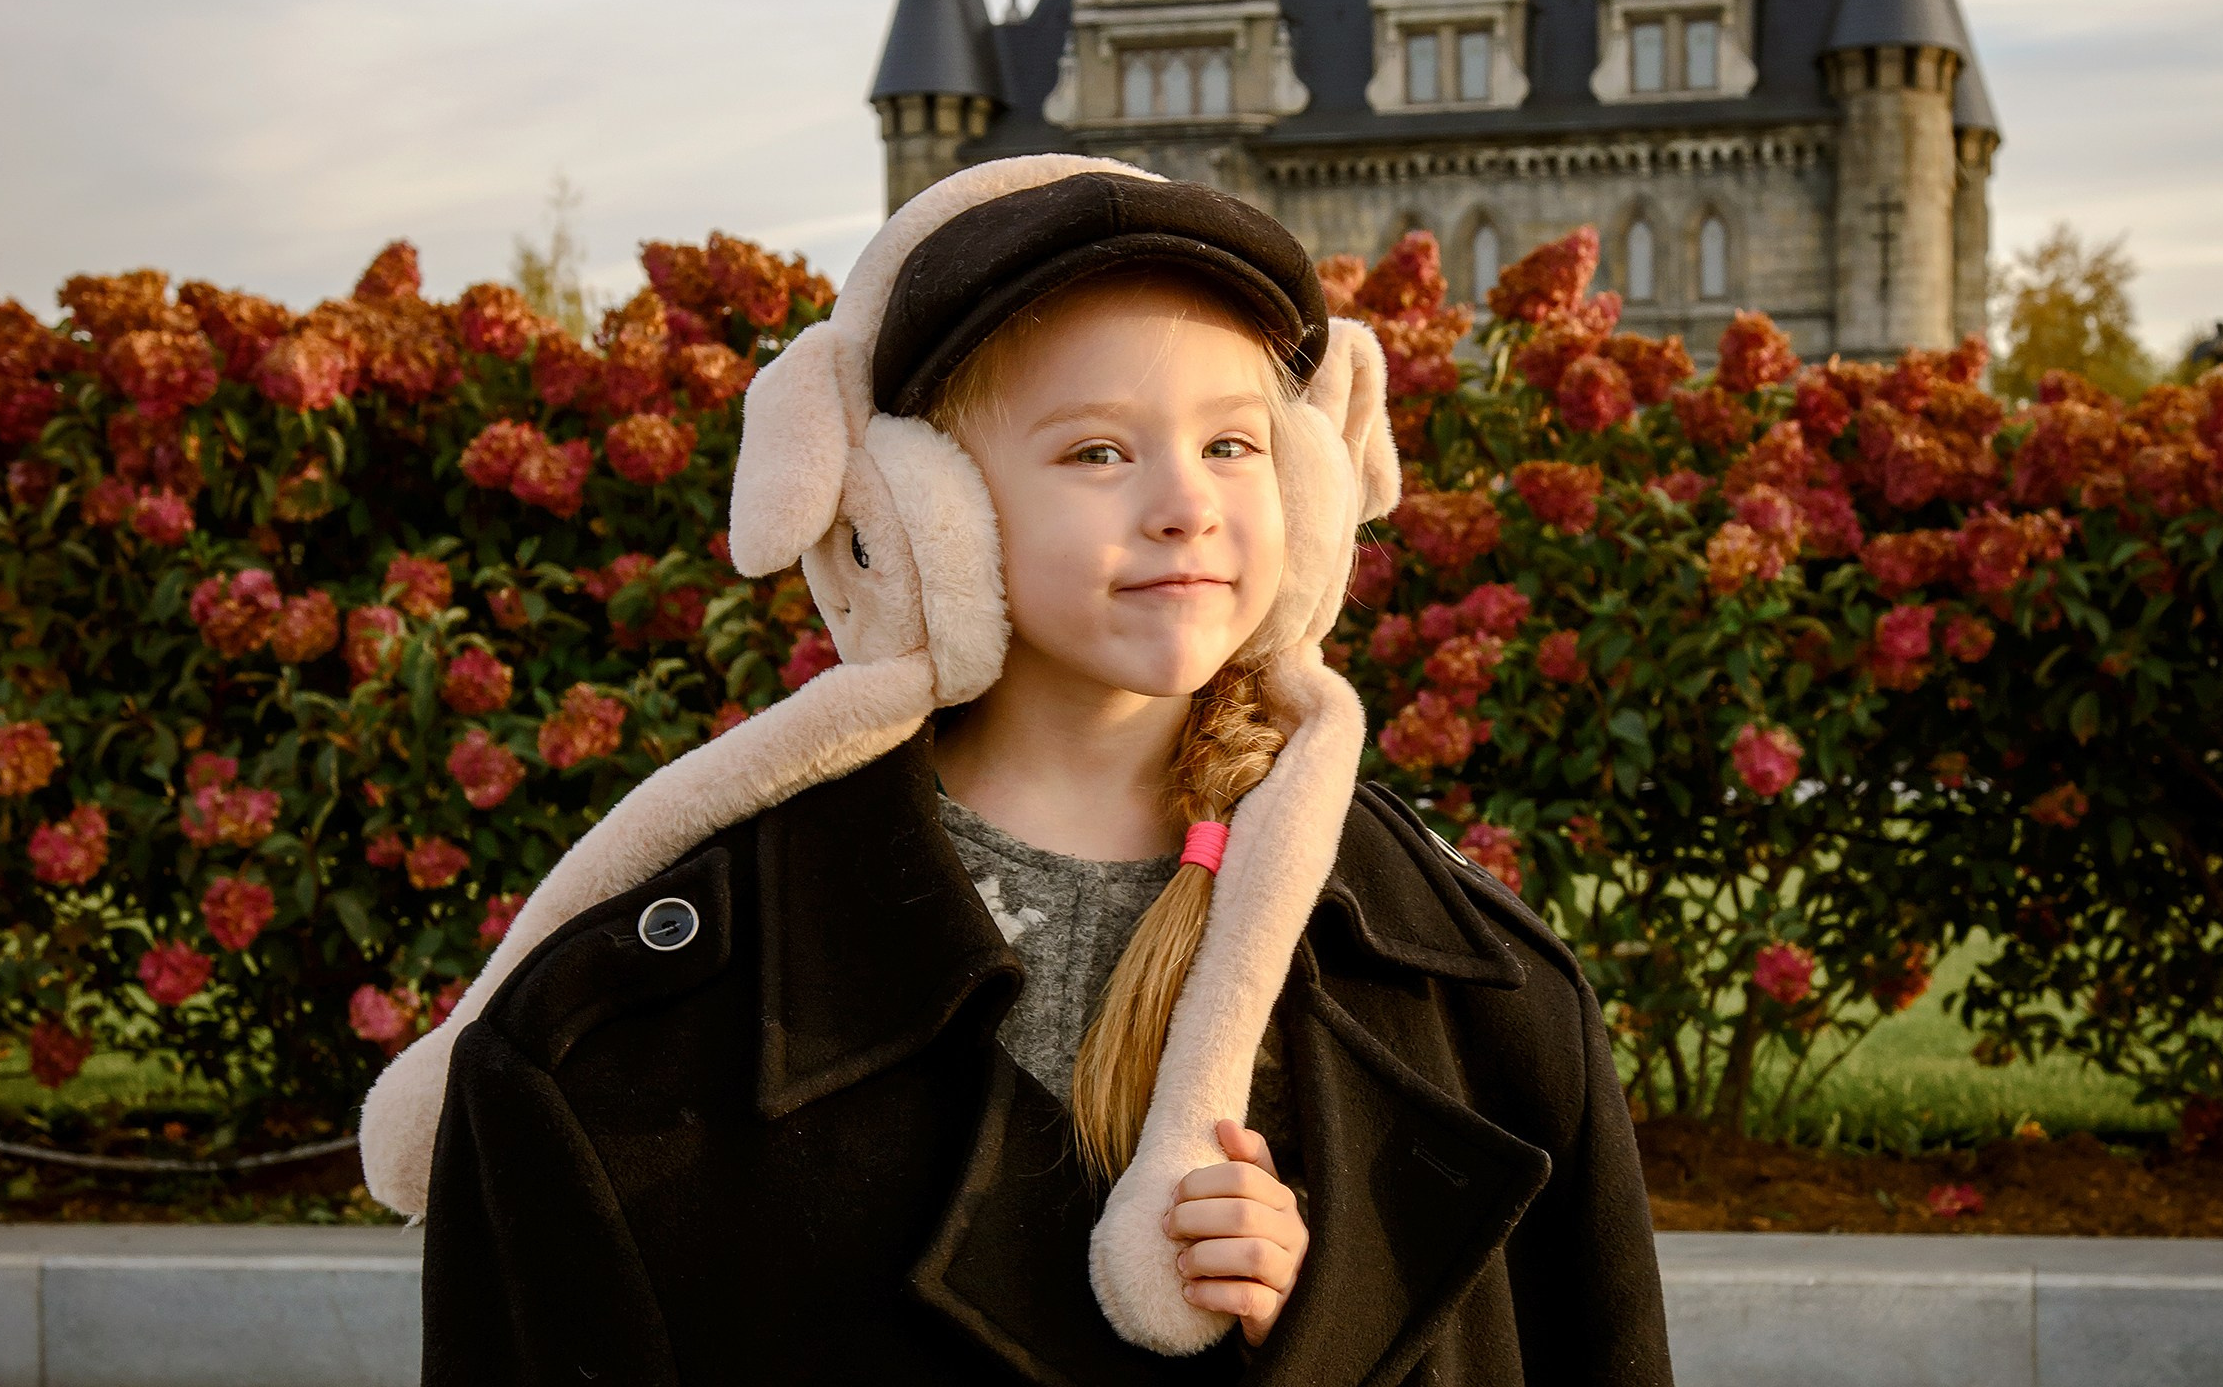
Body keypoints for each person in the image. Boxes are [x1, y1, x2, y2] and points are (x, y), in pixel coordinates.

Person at [357, 156, 1674, 1386]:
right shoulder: (625, 1053)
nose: (1186, 504)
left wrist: (1311, 1321)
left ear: (1310, 489)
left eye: (1231, 444)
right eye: (1098, 451)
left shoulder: (1491, 1006)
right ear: (908, 516)